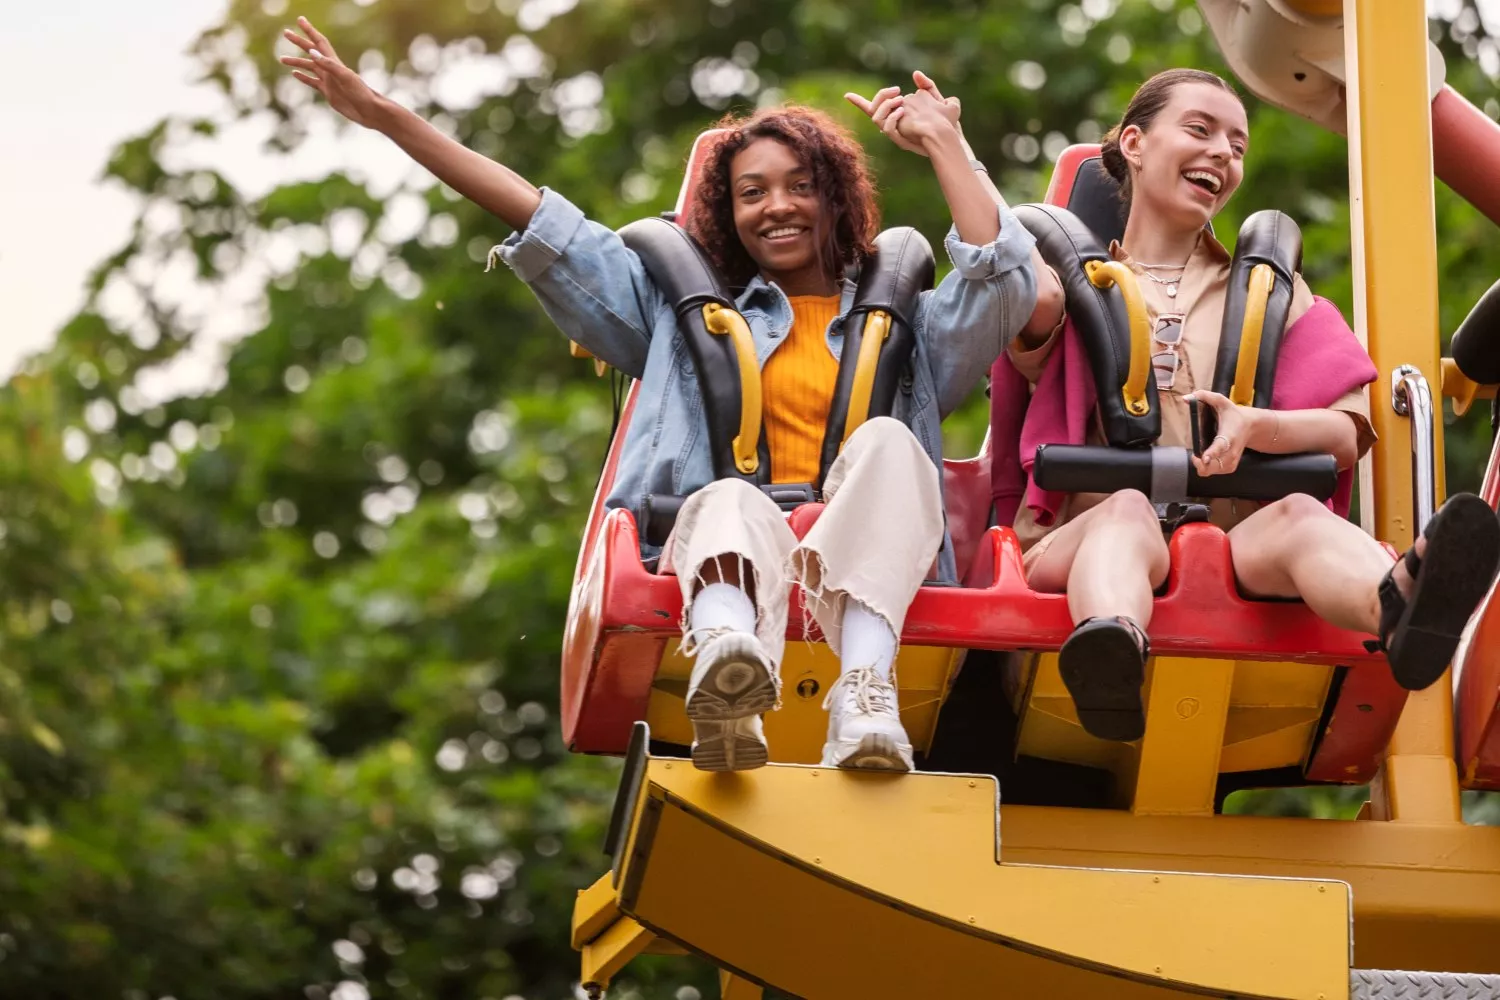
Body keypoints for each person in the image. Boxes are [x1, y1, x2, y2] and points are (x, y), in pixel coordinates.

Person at [280, 20, 1056, 771]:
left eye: (798, 187)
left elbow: (1002, 274)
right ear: (729, 214)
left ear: (838, 199)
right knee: (723, 499)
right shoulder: (676, 318)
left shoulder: (911, 330)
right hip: (729, 541)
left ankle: (865, 692)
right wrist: (385, 117)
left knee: (890, 442)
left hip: (868, 568)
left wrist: (944, 142)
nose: (775, 205)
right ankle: (727, 669)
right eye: (752, 193)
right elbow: (543, 221)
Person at [993, 68, 1500, 742]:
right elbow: (991, 259)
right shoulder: (1066, 286)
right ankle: (1110, 649)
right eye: (1200, 130)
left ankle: (1406, 604)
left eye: (1237, 145)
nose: (1223, 154)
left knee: (1297, 514)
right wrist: (948, 148)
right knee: (1126, 513)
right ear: (1136, 144)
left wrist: (1256, 424)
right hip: (1084, 537)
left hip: (1230, 545)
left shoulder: (1268, 295)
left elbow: (1346, 432)